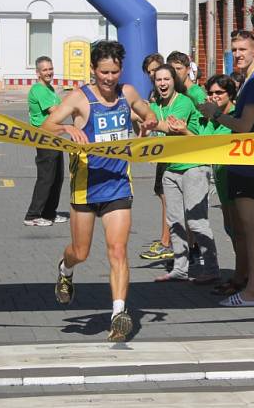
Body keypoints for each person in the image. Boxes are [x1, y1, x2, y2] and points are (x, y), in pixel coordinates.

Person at [41, 40, 158, 342]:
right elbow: (45, 126)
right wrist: (68, 129)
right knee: (81, 252)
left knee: (118, 251)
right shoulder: (80, 98)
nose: (109, 79)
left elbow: (147, 111)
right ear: (93, 70)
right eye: (103, 72)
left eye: (114, 72)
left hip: (118, 185)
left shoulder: (127, 93)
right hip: (86, 187)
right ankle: (65, 269)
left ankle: (119, 314)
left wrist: (149, 120)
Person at [198, 30, 254, 307]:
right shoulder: (251, 80)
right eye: (234, 50)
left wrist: (216, 115)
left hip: (249, 164)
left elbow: (245, 126)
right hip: (248, 163)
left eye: (242, 49)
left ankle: (252, 292)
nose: (237, 55)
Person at [150, 65, 220, 284]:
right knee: (175, 221)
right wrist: (138, 117)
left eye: (166, 79)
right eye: (158, 79)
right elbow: (142, 126)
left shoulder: (183, 102)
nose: (162, 83)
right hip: (170, 169)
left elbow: (170, 128)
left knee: (196, 221)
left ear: (174, 81)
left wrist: (146, 118)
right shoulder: (155, 105)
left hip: (194, 166)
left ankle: (211, 268)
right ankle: (180, 268)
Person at [185, 74, 245, 295]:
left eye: (219, 93)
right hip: (220, 178)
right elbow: (203, 142)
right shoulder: (210, 117)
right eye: (211, 93)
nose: (214, 96)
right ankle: (240, 276)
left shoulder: (235, 116)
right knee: (231, 229)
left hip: (236, 177)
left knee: (240, 231)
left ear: (230, 94)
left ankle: (243, 278)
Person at [23, 56, 68, 227]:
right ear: (38, 73)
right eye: (45, 70)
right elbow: (55, 111)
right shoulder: (39, 89)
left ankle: (49, 213)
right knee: (46, 178)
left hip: (55, 138)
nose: (49, 72)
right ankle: (32, 215)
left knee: (57, 177)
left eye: (50, 68)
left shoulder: (49, 88)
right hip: (44, 138)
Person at [137, 53, 173, 262]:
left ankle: (167, 242)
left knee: (167, 197)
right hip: (161, 151)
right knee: (163, 195)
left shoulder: (178, 96)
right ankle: (172, 240)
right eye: (149, 72)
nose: (153, 75)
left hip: (173, 154)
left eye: (156, 70)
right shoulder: (154, 94)